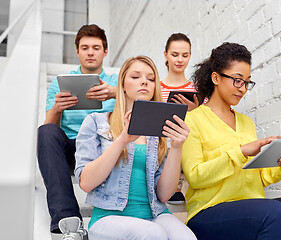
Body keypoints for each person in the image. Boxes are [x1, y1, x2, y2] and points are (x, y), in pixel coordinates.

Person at [181, 42, 281, 240]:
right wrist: (241, 151)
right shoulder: (192, 119)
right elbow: (195, 176)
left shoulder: (246, 122)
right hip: (208, 211)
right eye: (237, 80)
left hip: (252, 206)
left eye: (247, 82)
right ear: (216, 78)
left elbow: (257, 178)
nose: (243, 89)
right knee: (274, 213)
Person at [74, 56, 197, 240]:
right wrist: (122, 140)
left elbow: (163, 195)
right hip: (109, 217)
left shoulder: (160, 133)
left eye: (151, 79)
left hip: (155, 214)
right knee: (152, 234)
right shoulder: (96, 122)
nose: (144, 82)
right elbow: (85, 183)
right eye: (136, 77)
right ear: (122, 84)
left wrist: (177, 147)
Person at [37, 24, 118, 239]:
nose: (90, 52)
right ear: (77, 51)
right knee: (45, 131)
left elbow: (140, 105)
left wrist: (114, 93)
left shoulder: (117, 83)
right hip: (71, 149)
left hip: (104, 148)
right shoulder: (59, 84)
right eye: (85, 48)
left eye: (96, 47)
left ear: (105, 51)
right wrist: (57, 109)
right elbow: (50, 125)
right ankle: (68, 221)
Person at [161, 33, 197, 205]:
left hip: (188, 140)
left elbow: (207, 120)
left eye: (185, 55)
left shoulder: (197, 90)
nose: (180, 60)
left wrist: (195, 110)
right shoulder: (155, 87)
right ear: (165, 55)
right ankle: (171, 184)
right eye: (175, 55)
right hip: (162, 140)